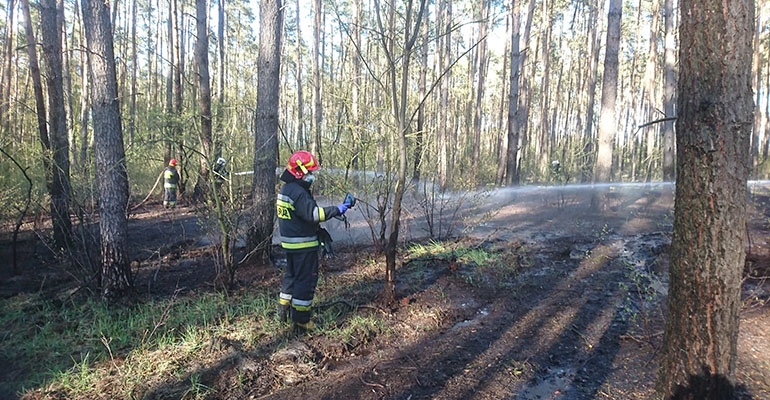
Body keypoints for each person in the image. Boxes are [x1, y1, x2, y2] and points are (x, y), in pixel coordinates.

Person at [275, 150, 351, 333]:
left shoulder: (286, 189)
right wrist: (339, 209)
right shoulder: (299, 192)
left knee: (291, 277)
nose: (312, 175)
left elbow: (299, 216)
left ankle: (283, 310)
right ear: (299, 171)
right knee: (305, 281)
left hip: (290, 245)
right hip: (303, 246)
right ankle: (301, 320)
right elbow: (314, 215)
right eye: (309, 172)